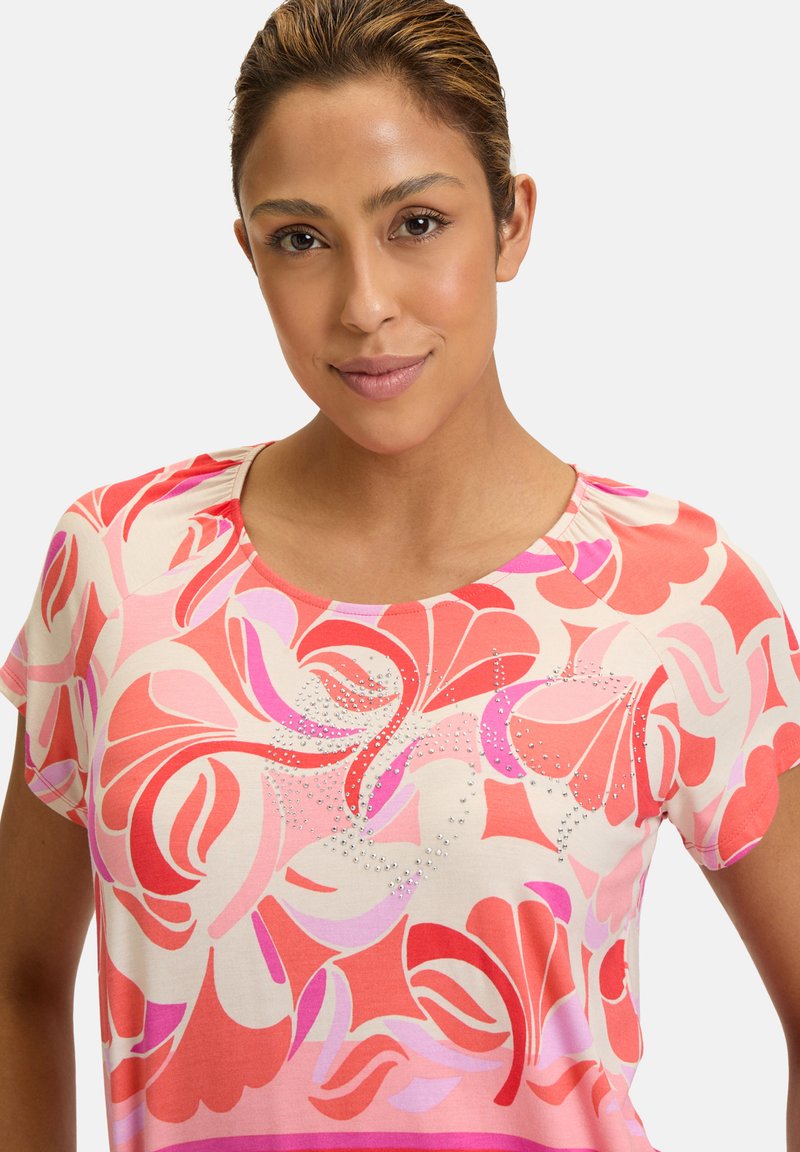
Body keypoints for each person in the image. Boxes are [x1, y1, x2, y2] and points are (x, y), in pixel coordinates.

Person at [0, 0, 798, 1149]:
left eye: (415, 222)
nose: (363, 304)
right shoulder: (119, 567)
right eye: (300, 238)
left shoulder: (678, 596)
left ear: (511, 224)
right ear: (247, 253)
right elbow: (19, 976)